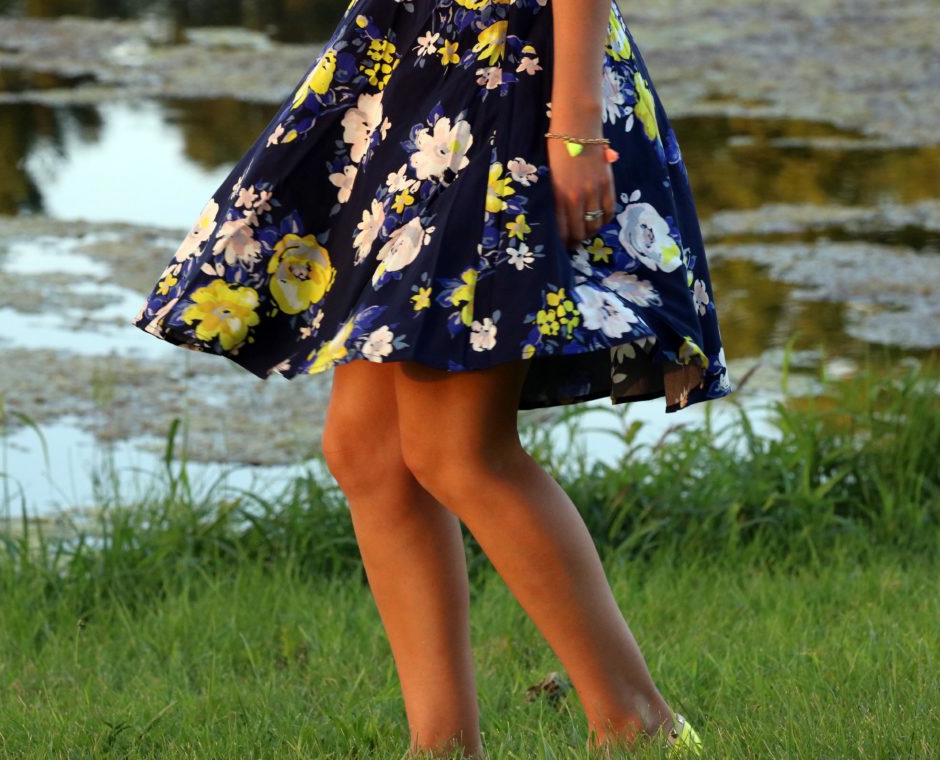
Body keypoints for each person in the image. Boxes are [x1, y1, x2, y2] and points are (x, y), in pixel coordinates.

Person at [133, 0, 730, 755]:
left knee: (456, 449)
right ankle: (442, 747)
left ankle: (640, 727)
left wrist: (574, 122)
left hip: (512, 75)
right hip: (415, 62)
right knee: (369, 454)